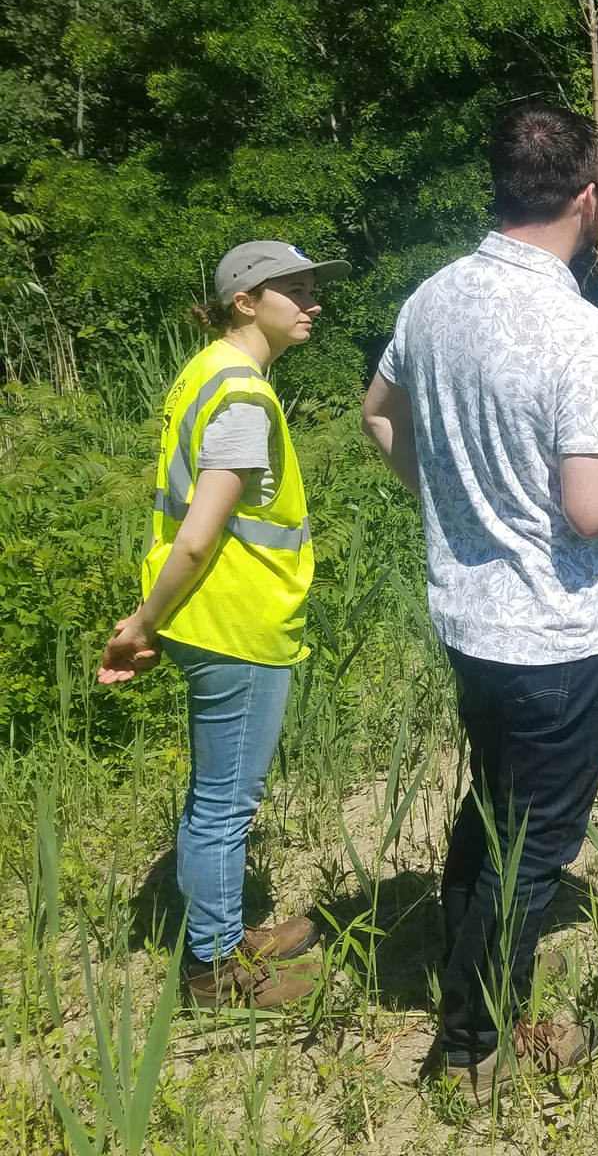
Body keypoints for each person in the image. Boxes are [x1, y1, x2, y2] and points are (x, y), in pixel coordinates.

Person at [361, 102, 598, 1097]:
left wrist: (455, 506)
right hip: (561, 640)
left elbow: (379, 414)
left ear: (502, 183)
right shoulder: (584, 335)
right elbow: (594, 509)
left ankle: (474, 995)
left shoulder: (434, 300)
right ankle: (474, 1050)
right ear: (587, 197)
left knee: (494, 813)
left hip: (471, 623)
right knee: (534, 853)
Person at [99, 241, 349, 1007]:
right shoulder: (242, 394)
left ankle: (225, 929)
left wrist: (154, 617)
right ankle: (214, 972)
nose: (313, 303)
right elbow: (200, 532)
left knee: (219, 794)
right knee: (225, 803)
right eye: (294, 290)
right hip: (235, 624)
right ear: (246, 301)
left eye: (313, 289)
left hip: (213, 618)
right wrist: (144, 622)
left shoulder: (204, 369)